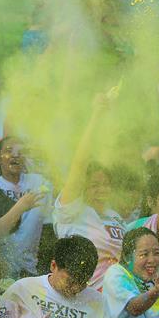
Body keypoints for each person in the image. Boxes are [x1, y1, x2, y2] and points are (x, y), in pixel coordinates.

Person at [52, 87, 127, 290]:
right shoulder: (71, 210)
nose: (102, 189)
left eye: (106, 184)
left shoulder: (115, 216)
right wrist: (96, 116)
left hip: (119, 294)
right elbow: (80, 164)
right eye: (94, 185)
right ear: (82, 188)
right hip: (84, 293)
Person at [0, 137, 53, 276]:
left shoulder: (39, 182)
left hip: (29, 270)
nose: (15, 155)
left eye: (21, 152)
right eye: (9, 150)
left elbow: (47, 227)